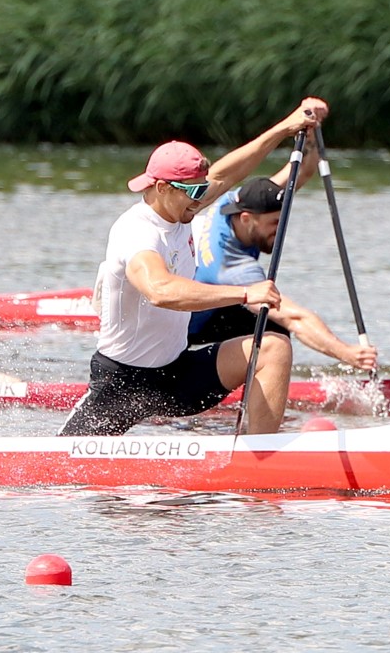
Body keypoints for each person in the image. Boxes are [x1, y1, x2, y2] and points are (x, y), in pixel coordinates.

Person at [59, 98, 329, 438]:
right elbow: (160, 290)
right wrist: (245, 293)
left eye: (202, 189)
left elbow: (229, 172)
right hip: (123, 382)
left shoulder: (181, 204)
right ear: (161, 188)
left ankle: (259, 459)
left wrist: (285, 127)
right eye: (193, 191)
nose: (200, 198)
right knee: (62, 466)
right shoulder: (136, 232)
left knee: (273, 348)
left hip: (176, 374)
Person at [189, 172, 379, 373]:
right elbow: (294, 318)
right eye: (274, 223)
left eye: (282, 221)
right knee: (273, 327)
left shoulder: (230, 203)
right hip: (187, 331)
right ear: (246, 219)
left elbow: (296, 173)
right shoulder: (233, 267)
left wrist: (311, 144)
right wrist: (347, 353)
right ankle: (249, 383)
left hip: (208, 305)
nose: (280, 231)